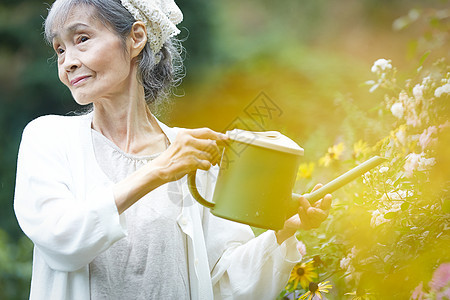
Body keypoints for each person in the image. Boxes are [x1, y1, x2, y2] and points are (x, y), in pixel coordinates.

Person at [13, 0, 332, 299]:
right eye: (59, 49)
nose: (68, 62)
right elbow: (61, 239)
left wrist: (285, 230)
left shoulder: (190, 154)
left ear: (136, 37)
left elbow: (225, 282)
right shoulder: (47, 138)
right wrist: (159, 170)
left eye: (82, 38)